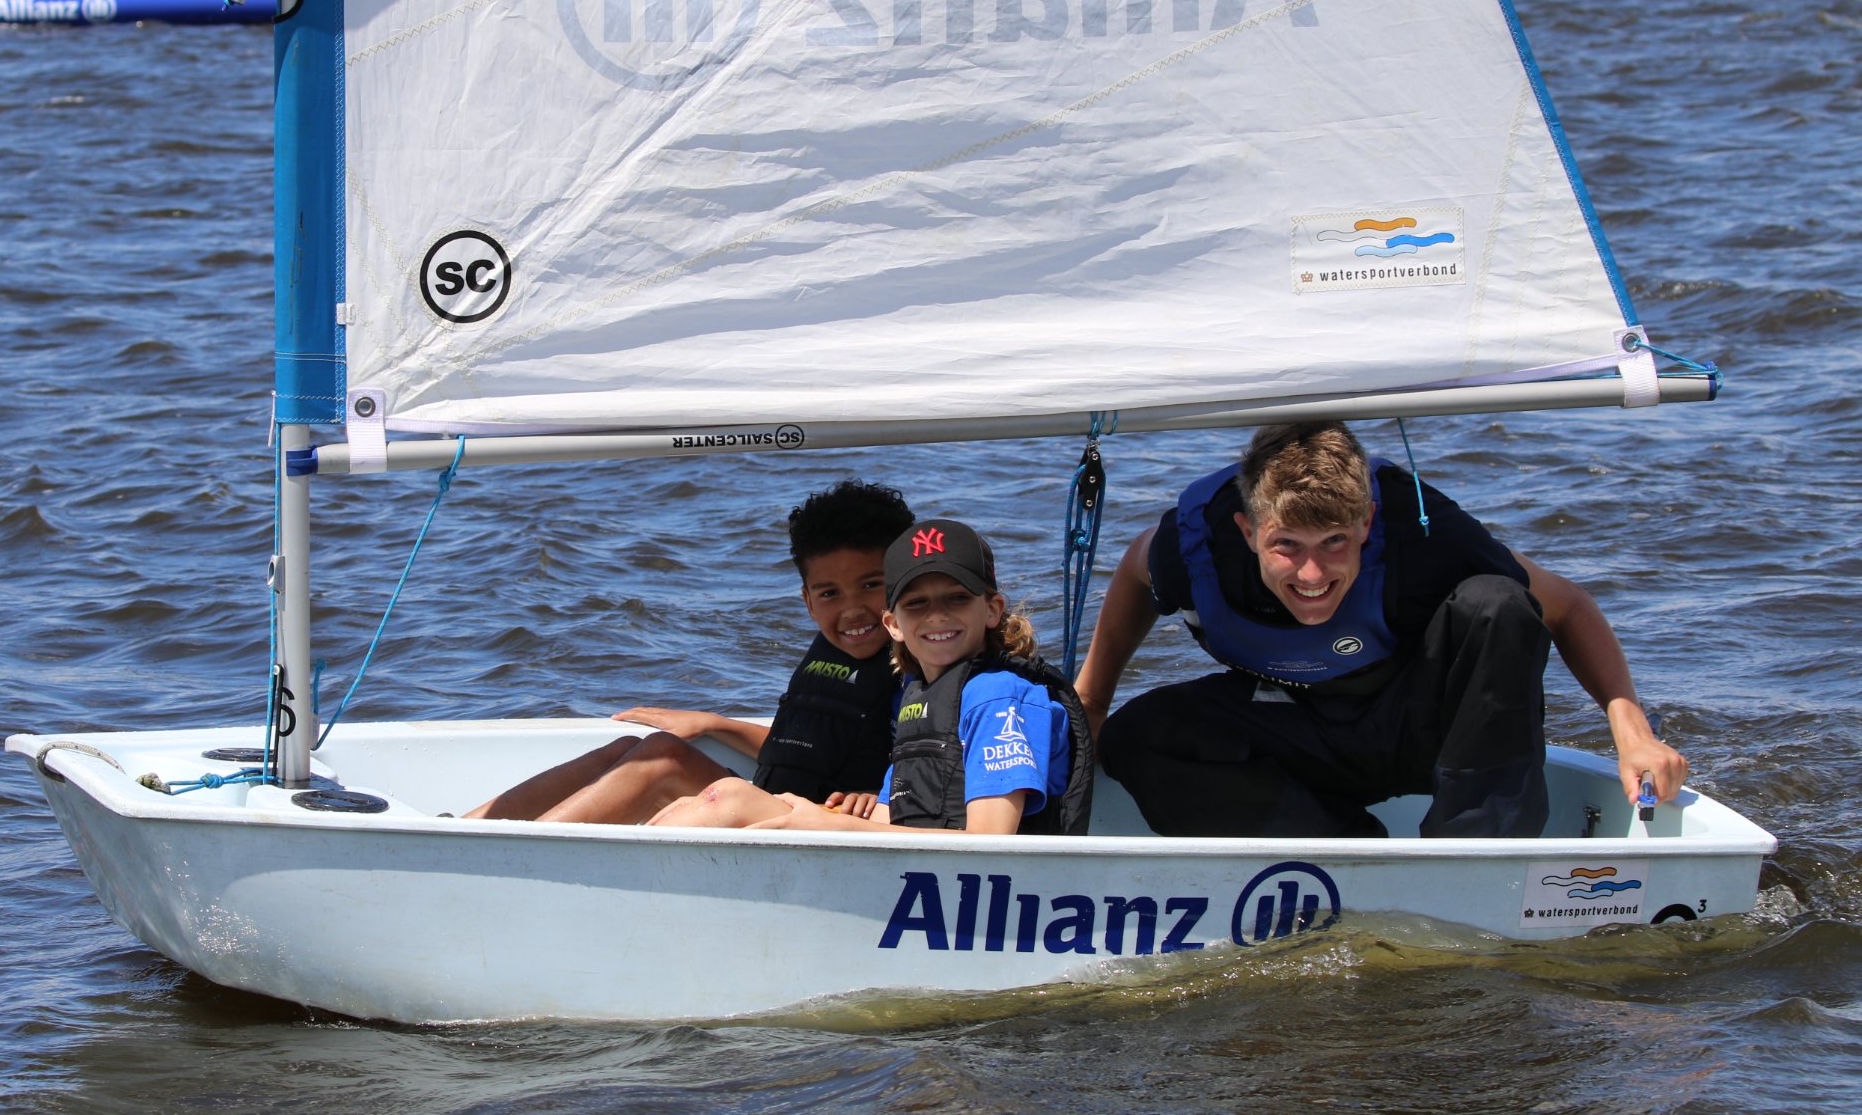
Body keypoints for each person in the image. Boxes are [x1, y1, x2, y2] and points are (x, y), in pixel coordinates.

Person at [1074, 420, 1686, 839]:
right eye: (1287, 546)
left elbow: (1568, 605)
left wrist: (1632, 733)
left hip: (1422, 729)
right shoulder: (1196, 547)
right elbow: (1134, 571)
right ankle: (1334, 849)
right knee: (1135, 736)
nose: (1312, 574)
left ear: (1367, 522)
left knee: (1498, 604)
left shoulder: (1425, 532)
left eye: (1334, 542)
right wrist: (1093, 702)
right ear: (1247, 531)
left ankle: (1479, 846)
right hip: (1297, 723)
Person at [460, 480, 913, 822]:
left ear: (901, 584)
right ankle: (465, 828)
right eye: (830, 593)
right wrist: (718, 724)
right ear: (808, 601)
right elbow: (805, 749)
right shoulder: (834, 650)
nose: (852, 610)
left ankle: (510, 855)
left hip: (817, 824)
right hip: (770, 798)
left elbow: (927, 763)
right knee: (633, 747)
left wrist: (880, 799)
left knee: (664, 760)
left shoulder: (911, 663)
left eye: (870, 585)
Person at [653, 518, 1092, 835]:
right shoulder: (918, 699)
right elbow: (888, 818)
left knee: (733, 799)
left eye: (957, 598)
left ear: (992, 610)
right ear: (893, 625)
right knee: (728, 794)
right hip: (911, 876)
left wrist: (830, 827)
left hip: (967, 895)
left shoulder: (999, 698)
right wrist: (820, 815)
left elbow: (990, 844)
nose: (937, 615)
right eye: (916, 604)